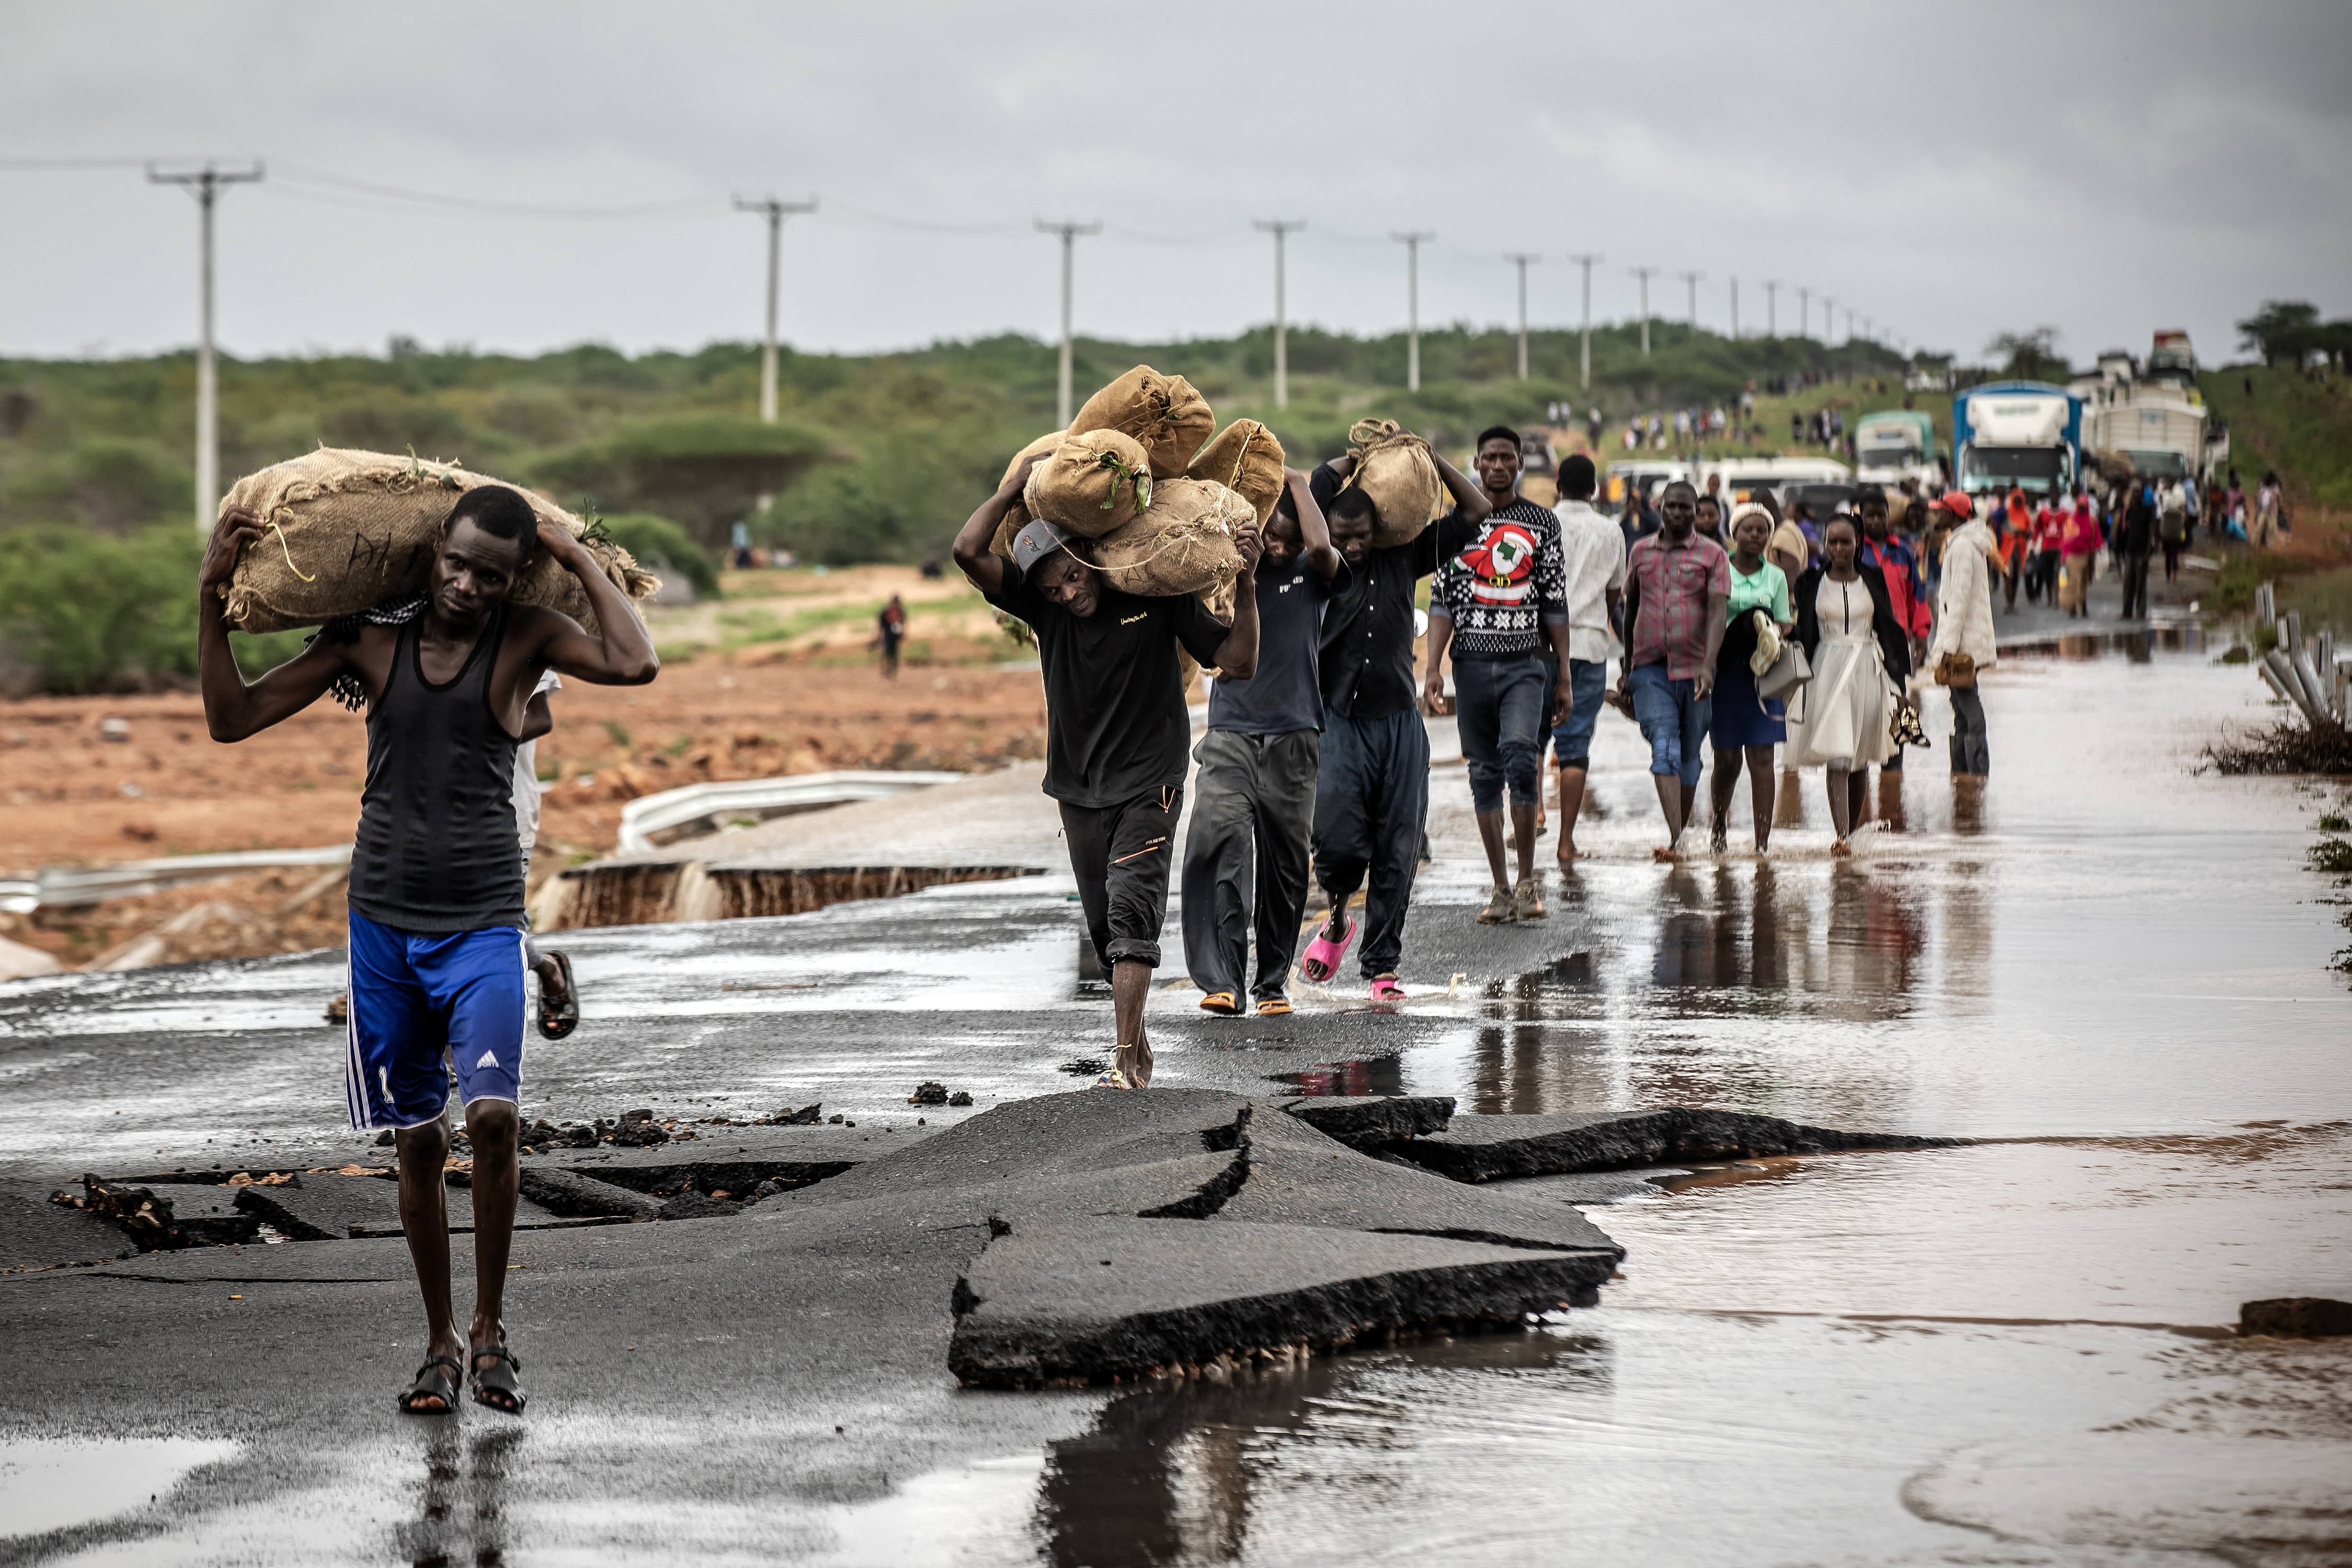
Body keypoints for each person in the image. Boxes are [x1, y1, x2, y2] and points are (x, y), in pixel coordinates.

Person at [198, 484, 661, 1416]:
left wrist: (571, 555)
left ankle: (492, 1331)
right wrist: (211, 597)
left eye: (488, 574)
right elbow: (232, 717)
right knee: (418, 1142)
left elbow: (635, 663)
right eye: (452, 564)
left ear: (511, 579)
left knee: (493, 1120)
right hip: (383, 929)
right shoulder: (369, 641)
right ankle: (439, 1343)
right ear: (432, 555)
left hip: (484, 921)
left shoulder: (527, 636)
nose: (463, 585)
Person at [953, 458, 1261, 1089]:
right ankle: (1138, 1045)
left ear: (1086, 555)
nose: (1068, 593)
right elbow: (965, 550)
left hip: (1153, 779)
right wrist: (1014, 488)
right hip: (1077, 786)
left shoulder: (1153, 592)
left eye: (1069, 576)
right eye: (1052, 590)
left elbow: (1239, 661)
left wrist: (1248, 584)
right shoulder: (1043, 610)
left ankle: (1124, 1062)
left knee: (1130, 915)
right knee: (1104, 924)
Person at [1299, 449, 1492, 1000]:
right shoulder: (1321, 567)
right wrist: (1348, 462)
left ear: (1377, 531)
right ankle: (1337, 919)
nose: (1353, 547)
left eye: (1362, 536)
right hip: (1338, 722)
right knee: (1335, 843)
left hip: (1400, 725)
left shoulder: (1404, 557)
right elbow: (1311, 497)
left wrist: (1433, 460)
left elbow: (1475, 509)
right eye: (1343, 536)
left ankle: (1383, 968)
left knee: (1398, 847)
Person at [1182, 469, 1345, 1019]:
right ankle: (1222, 978)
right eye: (1271, 536)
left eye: (1288, 540)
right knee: (1219, 841)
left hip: (1295, 736)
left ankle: (1273, 982)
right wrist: (1245, 568)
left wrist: (1296, 481)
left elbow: (1322, 546)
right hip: (1230, 732)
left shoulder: (1315, 574)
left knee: (1285, 864)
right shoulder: (1224, 573)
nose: (1279, 547)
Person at [1423, 426, 1573, 924]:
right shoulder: (1456, 524)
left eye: (1508, 457)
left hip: (1526, 664)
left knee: (1520, 755)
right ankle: (1501, 889)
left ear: (1520, 464)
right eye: (1490, 457)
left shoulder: (1542, 522)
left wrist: (1564, 674)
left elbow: (1555, 601)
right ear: (1477, 463)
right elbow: (1441, 600)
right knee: (1483, 772)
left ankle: (1529, 882)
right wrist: (1433, 669)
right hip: (1469, 665)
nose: (1499, 465)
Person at [1614, 480, 1730, 861]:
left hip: (1696, 671)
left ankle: (1682, 832)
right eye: (1671, 506)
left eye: (1686, 507)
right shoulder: (1641, 551)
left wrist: (1709, 666)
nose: (1678, 513)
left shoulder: (1713, 555)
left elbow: (1717, 614)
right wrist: (1628, 667)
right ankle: (1678, 838)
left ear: (1697, 513)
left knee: (1690, 756)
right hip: (1650, 669)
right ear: (1659, 509)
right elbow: (1630, 609)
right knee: (1664, 745)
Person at [1788, 514, 1911, 854]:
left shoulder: (1873, 579)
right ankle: (1841, 836)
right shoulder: (1811, 582)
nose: (1839, 549)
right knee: (1838, 757)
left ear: (1858, 543)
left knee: (1858, 759)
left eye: (1846, 542)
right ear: (1825, 543)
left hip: (1867, 671)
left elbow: (1888, 630)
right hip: (1826, 671)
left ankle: (1853, 836)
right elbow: (1803, 632)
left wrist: (1899, 687)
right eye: (1832, 542)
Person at [1549, 454, 1624, 864]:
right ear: (1595, 489)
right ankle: (1566, 843)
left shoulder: (1541, 523)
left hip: (1543, 645)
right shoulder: (1611, 531)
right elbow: (1614, 595)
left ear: (1558, 483)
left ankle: (1533, 813)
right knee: (1575, 744)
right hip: (1591, 645)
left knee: (1532, 736)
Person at [1707, 503, 1792, 855]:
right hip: (1724, 673)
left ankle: (1762, 845)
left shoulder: (1776, 577)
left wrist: (1774, 631)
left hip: (1762, 674)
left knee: (1762, 758)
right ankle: (1718, 826)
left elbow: (1786, 620)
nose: (1755, 536)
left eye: (1762, 531)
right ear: (1735, 533)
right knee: (1726, 759)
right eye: (1748, 529)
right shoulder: (1717, 568)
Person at [511, 671, 577, 1041]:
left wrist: (458, 738)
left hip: (504, 811)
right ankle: (546, 967)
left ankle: (456, 1052)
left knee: (496, 927)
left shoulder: (517, 633)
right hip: (426, 815)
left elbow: (538, 718)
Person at [1926, 490, 1997, 778]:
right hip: (1965, 642)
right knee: (1960, 706)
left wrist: (1946, 650)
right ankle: (1965, 777)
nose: (1937, 515)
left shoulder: (1963, 548)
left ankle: (1975, 777)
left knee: (1967, 704)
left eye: (1941, 510)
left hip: (1963, 645)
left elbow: (1957, 603)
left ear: (1954, 514)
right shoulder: (1961, 544)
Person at [2116, 480, 2154, 620]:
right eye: (2133, 495)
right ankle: (2127, 611)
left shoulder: (2147, 512)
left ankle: (2140, 612)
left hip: (2141, 552)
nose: (2135, 498)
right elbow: (2126, 531)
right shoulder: (2130, 512)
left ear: (2141, 496)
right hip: (2130, 551)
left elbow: (2151, 533)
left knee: (2140, 583)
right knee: (2128, 582)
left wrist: (2147, 553)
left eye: (2138, 495)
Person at [2058, 491, 2100, 617]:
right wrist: (2063, 557)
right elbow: (2066, 539)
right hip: (2072, 557)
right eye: (2080, 506)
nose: (2082, 508)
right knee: (2073, 582)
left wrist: (2093, 555)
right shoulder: (2071, 520)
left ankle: (2083, 605)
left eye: (2084, 506)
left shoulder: (2092, 521)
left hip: (2087, 557)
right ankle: (2072, 606)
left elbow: (2096, 539)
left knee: (2084, 582)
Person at [2157, 478, 2191, 583]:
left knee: (2173, 554)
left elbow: (2183, 507)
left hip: (2174, 526)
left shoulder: (2178, 491)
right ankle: (2169, 576)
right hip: (2169, 526)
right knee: (2169, 554)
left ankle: (2174, 575)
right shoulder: (2167, 493)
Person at [874, 594, 907, 679]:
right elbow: (903, 623)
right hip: (891, 635)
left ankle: (890, 671)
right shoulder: (894, 611)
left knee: (891, 653)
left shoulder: (895, 611)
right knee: (890, 653)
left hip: (892, 635)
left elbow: (902, 623)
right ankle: (888, 670)